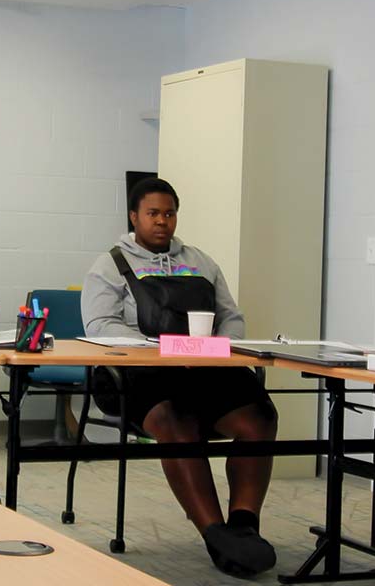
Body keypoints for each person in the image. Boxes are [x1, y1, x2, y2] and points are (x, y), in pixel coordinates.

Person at [81, 177, 279, 577]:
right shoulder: (111, 264)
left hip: (203, 368)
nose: (162, 222)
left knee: (260, 416)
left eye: (169, 213)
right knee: (177, 421)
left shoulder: (201, 262)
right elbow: (99, 325)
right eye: (153, 214)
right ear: (134, 216)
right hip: (136, 373)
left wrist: (219, 350)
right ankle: (214, 531)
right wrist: (158, 351)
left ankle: (243, 526)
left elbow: (231, 317)